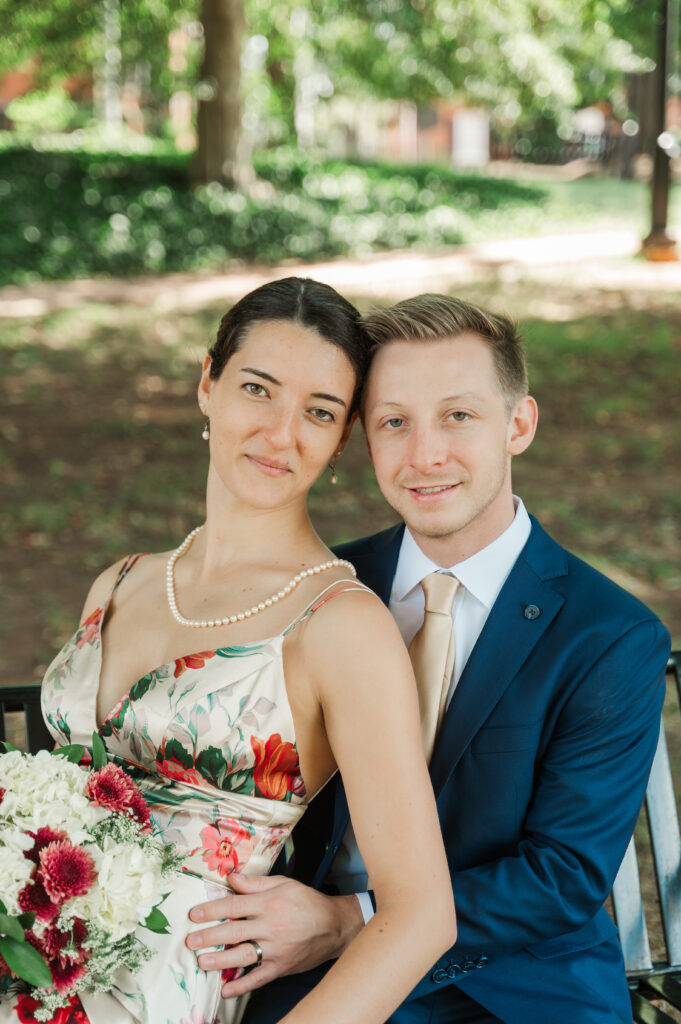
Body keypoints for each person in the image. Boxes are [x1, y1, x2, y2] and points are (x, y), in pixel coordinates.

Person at [187, 293, 671, 1024]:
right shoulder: (320, 590)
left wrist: (350, 920)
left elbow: (563, 877)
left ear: (518, 424)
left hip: (516, 990)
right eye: (393, 422)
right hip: (302, 974)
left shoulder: (607, 634)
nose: (424, 455)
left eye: (458, 416)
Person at [5, 279, 455, 1024]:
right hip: (29, 956)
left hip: (159, 995)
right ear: (206, 383)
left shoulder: (340, 625)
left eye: (318, 412)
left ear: (341, 437)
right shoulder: (120, 582)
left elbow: (419, 917)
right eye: (257, 389)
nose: (282, 434)